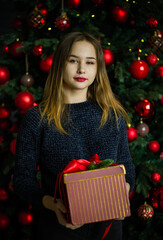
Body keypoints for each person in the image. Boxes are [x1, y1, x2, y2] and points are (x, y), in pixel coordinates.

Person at [13, 32, 135, 240]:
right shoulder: (38, 118)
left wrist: (125, 188)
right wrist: (52, 204)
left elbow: (127, 167)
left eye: (90, 62)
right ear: (61, 63)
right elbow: (22, 180)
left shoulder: (112, 114)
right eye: (73, 61)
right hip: (57, 229)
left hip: (108, 231)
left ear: (98, 69)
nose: (81, 69)